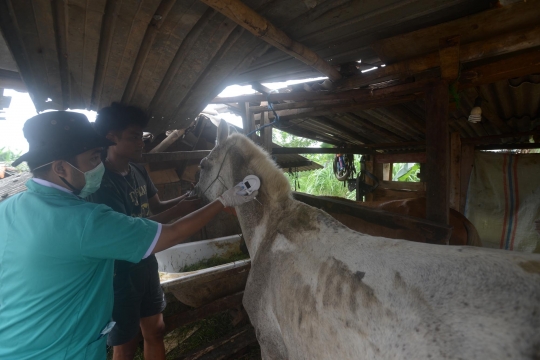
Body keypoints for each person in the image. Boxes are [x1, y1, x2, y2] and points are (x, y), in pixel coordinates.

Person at [0, 111, 256, 360]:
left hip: (16, 345)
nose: (98, 166)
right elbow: (171, 233)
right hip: (66, 350)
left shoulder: (7, 209)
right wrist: (225, 199)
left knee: (154, 329)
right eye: (92, 159)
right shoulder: (85, 219)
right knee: (126, 341)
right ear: (60, 168)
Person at [87, 103, 195, 360]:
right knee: (125, 342)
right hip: (120, 274)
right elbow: (131, 232)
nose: (142, 142)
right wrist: (185, 209)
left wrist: (187, 199)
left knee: (156, 330)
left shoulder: (137, 170)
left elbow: (156, 206)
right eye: (134, 136)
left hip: (146, 265)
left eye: (142, 136)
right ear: (111, 137)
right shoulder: (102, 182)